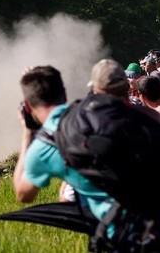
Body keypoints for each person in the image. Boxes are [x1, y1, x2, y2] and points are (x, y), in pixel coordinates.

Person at [13, 65, 113, 222]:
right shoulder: (94, 112)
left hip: (124, 233)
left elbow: (23, 194)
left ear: (28, 107)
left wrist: (27, 134)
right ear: (65, 94)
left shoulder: (44, 146)